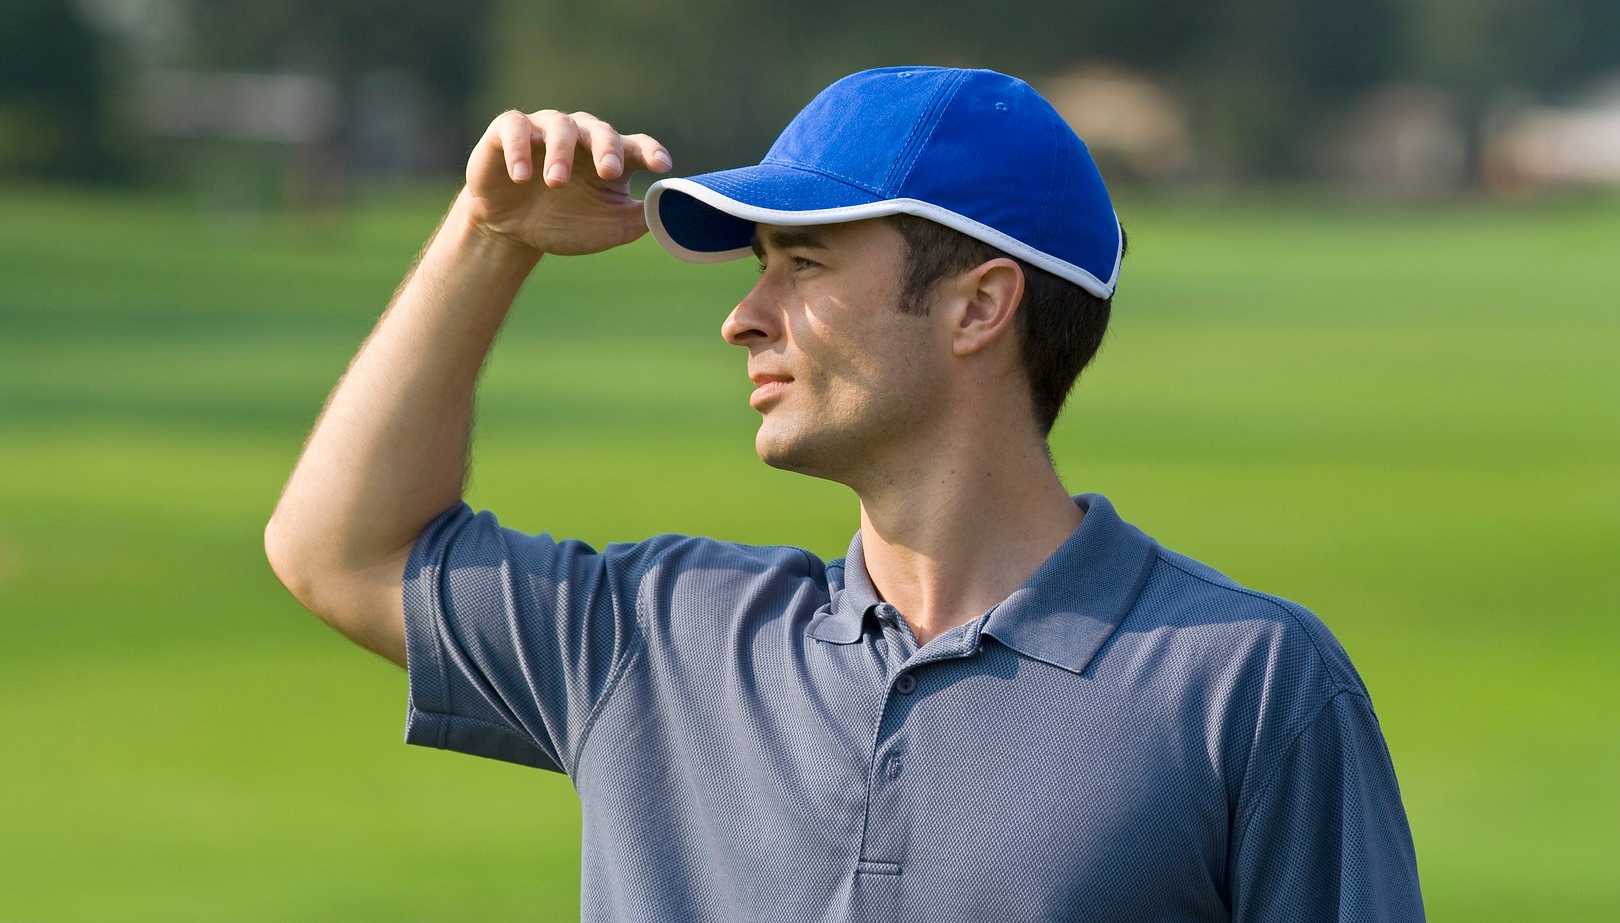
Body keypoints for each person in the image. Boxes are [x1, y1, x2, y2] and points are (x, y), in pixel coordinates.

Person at [266, 66, 1424, 921]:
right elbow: (339, 550)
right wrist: (488, 235)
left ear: (980, 306)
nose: (743, 317)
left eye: (804, 264)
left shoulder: (1249, 687)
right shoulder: (660, 641)